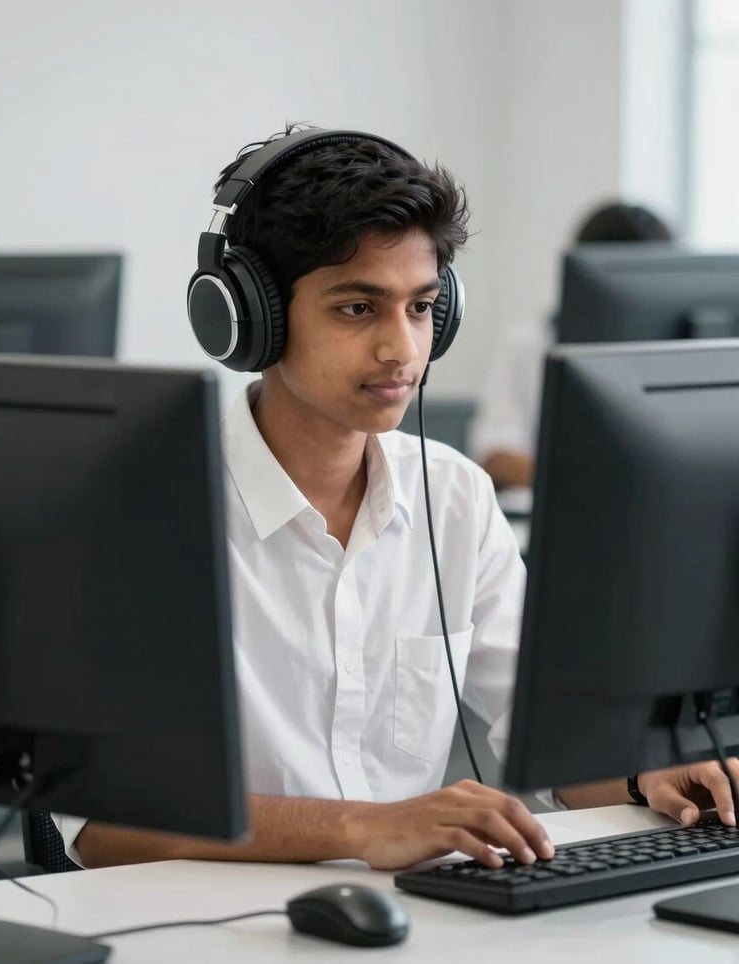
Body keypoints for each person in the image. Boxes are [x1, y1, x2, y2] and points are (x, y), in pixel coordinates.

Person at [57, 132, 736, 870]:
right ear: (251, 320)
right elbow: (100, 826)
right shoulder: (141, 511)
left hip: (408, 925)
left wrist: (645, 777)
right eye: (357, 308)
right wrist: (358, 828)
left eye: (421, 308)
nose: (402, 349)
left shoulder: (454, 499)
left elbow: (552, 741)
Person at [476, 201, 674, 491]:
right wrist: (594, 483)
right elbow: (496, 457)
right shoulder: (527, 345)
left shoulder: (673, 354)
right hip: (546, 513)